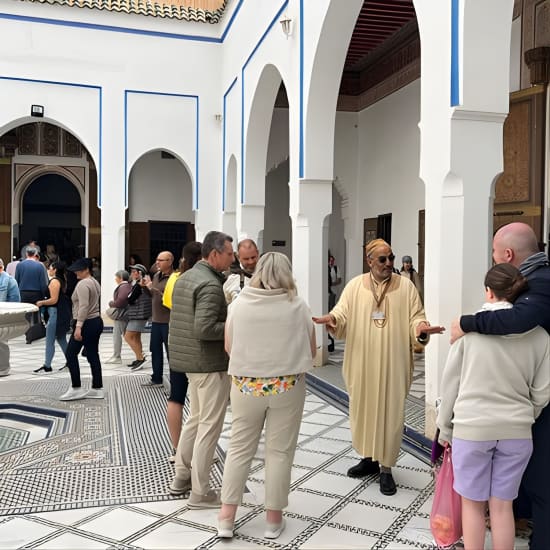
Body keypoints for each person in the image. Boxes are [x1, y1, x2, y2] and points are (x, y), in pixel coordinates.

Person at [313, 238, 444, 495]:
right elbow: (341, 314)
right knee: (363, 412)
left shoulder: (405, 287)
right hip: (362, 363)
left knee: (390, 415)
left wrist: (420, 329)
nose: (388, 263)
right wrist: (332, 319)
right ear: (369, 261)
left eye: (391, 258)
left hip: (393, 365)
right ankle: (369, 459)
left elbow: (416, 317)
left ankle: (386, 467)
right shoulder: (354, 286)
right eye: (382, 259)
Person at [451, 222, 550, 550]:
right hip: (518, 429)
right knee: (503, 506)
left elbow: (452, 385)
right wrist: (526, 412)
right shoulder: (541, 337)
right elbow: (542, 390)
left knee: (473, 505)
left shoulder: (474, 333)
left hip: (473, 428)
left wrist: (444, 427)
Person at [217, 252, 316, 540]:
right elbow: (311, 349)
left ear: (258, 271)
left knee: (239, 449)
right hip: (287, 386)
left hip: (247, 386)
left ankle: (226, 517)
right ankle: (273, 520)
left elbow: (228, 346)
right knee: (279, 452)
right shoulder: (297, 305)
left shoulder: (239, 304)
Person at [167, 231, 234, 508]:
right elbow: (205, 328)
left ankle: (181, 476)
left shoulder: (187, 277)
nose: (232, 258)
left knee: (195, 420)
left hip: (191, 363)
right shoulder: (209, 284)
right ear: (214, 254)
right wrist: (233, 325)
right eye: (229, 253)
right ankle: (201, 491)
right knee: (209, 426)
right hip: (208, 364)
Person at [163, 241, 202, 460]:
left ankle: (177, 448)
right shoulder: (203, 281)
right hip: (196, 346)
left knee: (176, 396)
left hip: (176, 339)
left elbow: (168, 303)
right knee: (200, 403)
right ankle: (197, 450)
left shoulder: (175, 279)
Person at [60, 258, 103, 401]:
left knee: (70, 354)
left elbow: (83, 306)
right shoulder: (95, 282)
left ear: (86, 270)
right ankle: (97, 388)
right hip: (96, 321)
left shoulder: (83, 284)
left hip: (86, 323)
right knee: (92, 355)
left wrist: (78, 326)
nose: (76, 272)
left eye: (79, 270)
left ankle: (76, 387)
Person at [141, 251, 173, 386]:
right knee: (155, 350)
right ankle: (156, 378)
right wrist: (145, 288)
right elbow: (152, 295)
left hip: (168, 321)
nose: (157, 262)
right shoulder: (156, 276)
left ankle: (175, 382)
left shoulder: (174, 278)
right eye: (157, 259)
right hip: (156, 320)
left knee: (171, 353)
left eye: (161, 260)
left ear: (170, 262)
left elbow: (168, 298)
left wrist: (152, 289)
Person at [33, 261, 71, 374]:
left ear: (54, 269)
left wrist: (41, 302)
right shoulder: (61, 280)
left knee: (50, 340)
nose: (48, 269)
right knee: (61, 339)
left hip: (55, 314)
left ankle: (47, 365)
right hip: (59, 313)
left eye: (50, 267)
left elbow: (53, 300)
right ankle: (70, 361)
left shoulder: (55, 282)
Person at [14, 246, 49, 343]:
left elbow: (16, 280)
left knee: (26, 314)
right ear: (36, 254)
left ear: (26, 254)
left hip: (23, 292)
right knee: (35, 313)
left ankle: (27, 334)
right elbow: (43, 283)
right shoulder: (40, 266)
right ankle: (34, 334)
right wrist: (44, 295)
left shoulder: (20, 265)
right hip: (36, 292)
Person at [124, 263, 152, 370]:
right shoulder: (139, 283)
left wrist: (138, 286)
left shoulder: (141, 284)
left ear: (140, 273)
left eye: (134, 271)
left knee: (128, 336)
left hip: (138, 314)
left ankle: (141, 358)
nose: (132, 273)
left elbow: (130, 299)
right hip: (139, 314)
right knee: (136, 337)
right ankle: (139, 358)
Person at [104, 270, 131, 365]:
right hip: (124, 314)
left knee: (119, 336)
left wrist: (112, 303)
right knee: (127, 336)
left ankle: (117, 356)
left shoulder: (124, 286)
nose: (115, 279)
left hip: (122, 315)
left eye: (116, 277)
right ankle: (139, 354)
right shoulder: (127, 286)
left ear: (121, 278)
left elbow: (121, 300)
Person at [223, 239, 259, 303]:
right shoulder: (230, 279)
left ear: (258, 253)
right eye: (246, 259)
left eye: (253, 257)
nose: (251, 262)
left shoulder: (268, 275)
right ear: (238, 257)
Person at [327, 253, 341, 352]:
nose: (331, 262)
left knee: (333, 307)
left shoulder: (335, 268)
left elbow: (339, 279)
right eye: (330, 260)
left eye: (333, 260)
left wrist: (332, 283)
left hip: (334, 290)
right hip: (328, 291)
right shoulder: (326, 268)